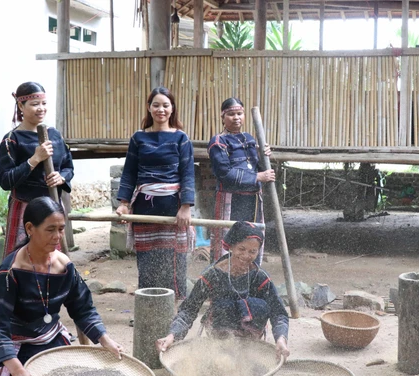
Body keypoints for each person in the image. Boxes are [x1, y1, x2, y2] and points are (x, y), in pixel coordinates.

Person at [0, 197, 123, 376]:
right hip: (17, 343)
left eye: (61, 229)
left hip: (50, 338)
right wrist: (17, 370)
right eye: (50, 230)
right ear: (30, 228)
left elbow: (83, 308)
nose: (58, 236)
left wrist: (105, 340)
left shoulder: (64, 265)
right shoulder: (10, 271)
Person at [156, 221, 290, 360]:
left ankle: (246, 350)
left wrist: (281, 339)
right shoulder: (213, 275)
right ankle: (222, 351)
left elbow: (279, 313)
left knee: (259, 305)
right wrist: (172, 335)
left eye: (252, 251)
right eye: (241, 249)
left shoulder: (260, 277)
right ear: (231, 246)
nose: (246, 255)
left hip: (251, 338)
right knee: (224, 305)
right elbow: (189, 310)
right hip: (219, 333)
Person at [115, 87, 195, 298]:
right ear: (149, 108)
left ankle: (176, 308)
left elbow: (187, 173)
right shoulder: (138, 138)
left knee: (174, 259)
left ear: (172, 109)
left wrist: (186, 207)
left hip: (173, 206)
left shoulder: (181, 138)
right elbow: (129, 172)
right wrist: (124, 203)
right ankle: (148, 304)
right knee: (148, 260)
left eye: (165, 105)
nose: (161, 109)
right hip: (144, 206)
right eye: (156, 105)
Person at [0, 82, 73, 256]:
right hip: (25, 210)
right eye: (34, 104)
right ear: (20, 106)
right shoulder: (12, 140)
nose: (41, 109)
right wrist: (34, 159)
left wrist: (61, 178)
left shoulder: (55, 135)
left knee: (53, 259)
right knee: (23, 260)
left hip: (53, 207)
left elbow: (69, 166)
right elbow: (5, 180)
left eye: (44, 104)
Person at [207, 97, 273, 264]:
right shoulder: (218, 142)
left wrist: (265, 155)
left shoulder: (249, 139)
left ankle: (249, 277)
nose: (236, 117)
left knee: (251, 238)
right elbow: (225, 174)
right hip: (232, 199)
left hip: (252, 200)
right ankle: (223, 276)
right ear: (223, 117)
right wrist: (258, 177)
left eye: (239, 113)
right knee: (230, 239)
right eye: (231, 114)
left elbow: (259, 167)